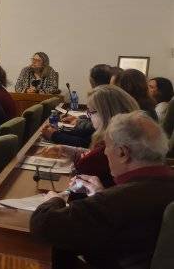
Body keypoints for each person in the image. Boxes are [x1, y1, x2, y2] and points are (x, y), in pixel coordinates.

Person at [30, 111, 174, 269]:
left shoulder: (115, 201)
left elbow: (44, 225)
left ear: (122, 153)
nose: (104, 152)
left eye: (107, 146)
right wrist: (101, 193)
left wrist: (54, 199)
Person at [54, 85, 139, 188]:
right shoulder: (131, 135)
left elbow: (86, 163)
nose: (89, 116)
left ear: (105, 114)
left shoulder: (110, 145)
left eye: (91, 112)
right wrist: (69, 150)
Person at [41, 63, 113, 147]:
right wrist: (57, 131)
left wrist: (55, 135)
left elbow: (86, 142)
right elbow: (88, 130)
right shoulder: (105, 99)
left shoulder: (106, 100)